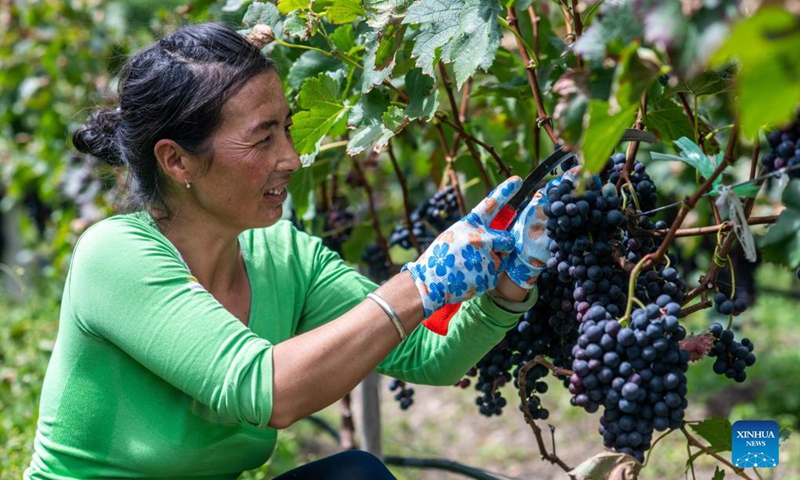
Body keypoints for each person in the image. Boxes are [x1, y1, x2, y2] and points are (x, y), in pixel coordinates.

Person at [24, 23, 554, 480]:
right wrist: (418, 284)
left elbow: (429, 357)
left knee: (356, 475)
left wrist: (509, 286)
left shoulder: (283, 258)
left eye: (286, 129)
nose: (292, 159)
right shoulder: (112, 256)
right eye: (263, 139)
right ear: (177, 161)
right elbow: (268, 389)